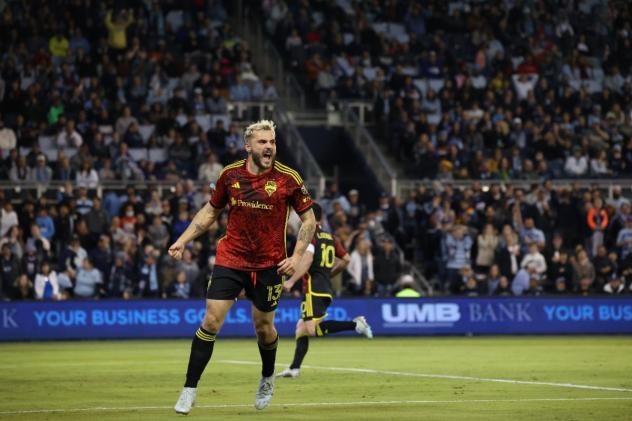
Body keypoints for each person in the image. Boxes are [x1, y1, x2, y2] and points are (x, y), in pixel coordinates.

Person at [169, 120, 316, 414]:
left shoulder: (288, 178)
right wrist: (182, 240)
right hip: (231, 259)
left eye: (272, 142)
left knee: (264, 328)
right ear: (248, 146)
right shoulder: (230, 175)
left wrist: (297, 257)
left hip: (269, 265)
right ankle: (189, 389)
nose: (269, 147)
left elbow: (309, 221)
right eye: (262, 142)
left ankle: (266, 377)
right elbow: (210, 211)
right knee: (211, 321)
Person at [277, 203, 372, 379]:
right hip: (324, 288)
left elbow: (307, 260)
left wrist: (290, 281)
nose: (300, 217)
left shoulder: (310, 235)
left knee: (311, 330)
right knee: (301, 328)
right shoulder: (330, 237)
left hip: (314, 289)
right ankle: (294, 368)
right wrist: (329, 273)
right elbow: (346, 259)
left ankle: (356, 325)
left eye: (302, 214)